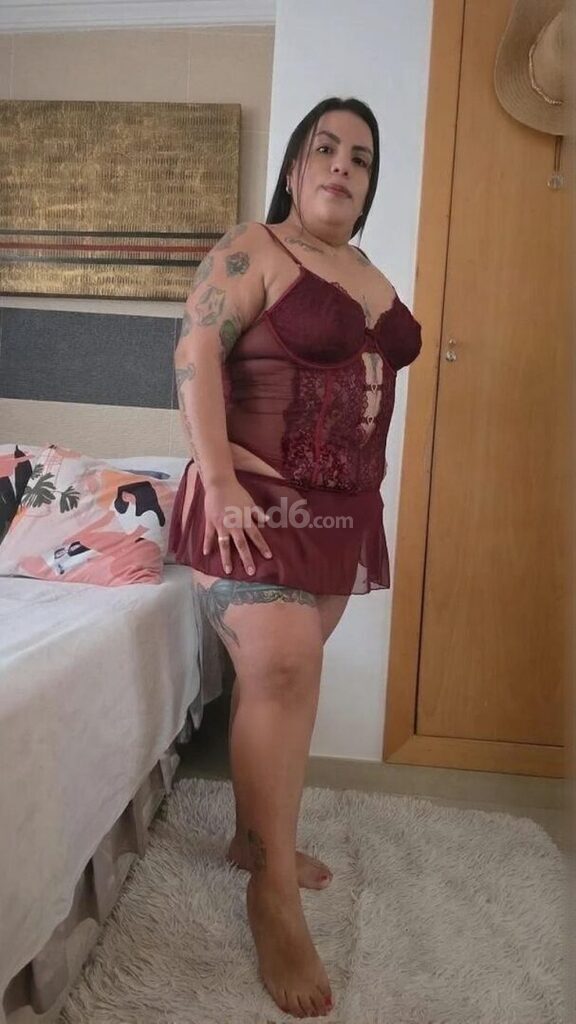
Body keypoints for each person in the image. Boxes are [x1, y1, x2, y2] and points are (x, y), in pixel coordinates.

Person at [169, 96, 422, 1019]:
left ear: (370, 182)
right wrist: (218, 480)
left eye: (362, 156)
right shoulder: (255, 247)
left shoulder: (368, 273)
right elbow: (196, 349)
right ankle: (271, 891)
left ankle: (251, 838)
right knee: (282, 666)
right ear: (293, 167)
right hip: (252, 499)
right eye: (326, 147)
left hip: (339, 515)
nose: (343, 164)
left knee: (279, 678)